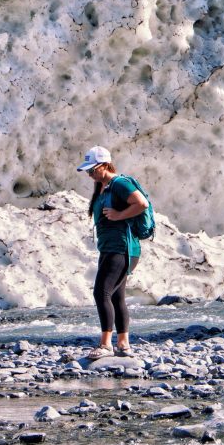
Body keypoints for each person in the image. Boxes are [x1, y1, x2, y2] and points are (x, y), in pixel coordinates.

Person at [77, 145, 149, 360]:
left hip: (122, 248)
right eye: (88, 170)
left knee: (101, 293)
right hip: (111, 248)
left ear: (104, 165)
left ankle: (105, 344)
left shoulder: (119, 183)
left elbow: (141, 203)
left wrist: (118, 215)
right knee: (117, 296)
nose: (89, 174)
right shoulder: (103, 186)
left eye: (92, 169)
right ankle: (123, 345)